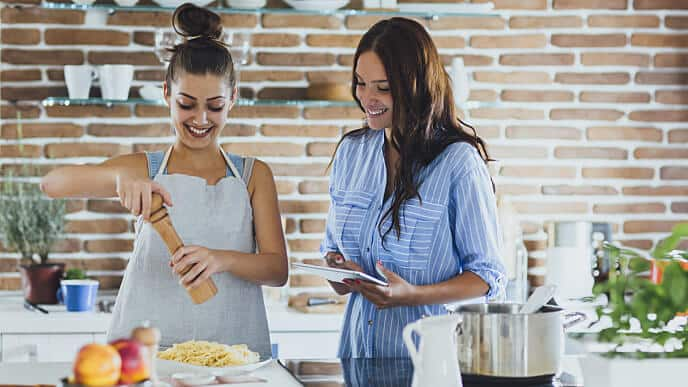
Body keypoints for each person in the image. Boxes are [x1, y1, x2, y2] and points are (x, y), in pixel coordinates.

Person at [40, 3, 287, 359]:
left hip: (232, 354)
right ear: (167, 94)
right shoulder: (145, 168)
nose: (200, 118)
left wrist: (221, 259)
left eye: (215, 106)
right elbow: (53, 183)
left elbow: (277, 269)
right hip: (146, 351)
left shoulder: (254, 175)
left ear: (233, 99)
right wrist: (120, 175)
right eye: (187, 103)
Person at [321, 17, 506, 358]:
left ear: (415, 85)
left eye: (383, 87)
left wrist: (412, 295)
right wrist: (338, 271)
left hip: (431, 362)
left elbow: (487, 278)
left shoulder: (458, 163)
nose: (367, 98)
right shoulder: (351, 153)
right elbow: (333, 255)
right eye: (360, 83)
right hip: (359, 357)